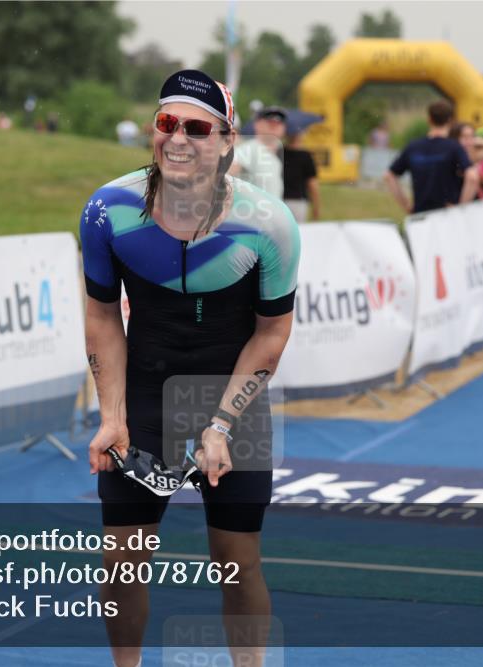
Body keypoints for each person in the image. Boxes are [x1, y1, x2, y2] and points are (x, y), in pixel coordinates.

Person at [80, 69, 301, 667]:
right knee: (122, 560)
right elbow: (103, 318)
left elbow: (272, 332)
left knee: (238, 561)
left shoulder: (269, 225)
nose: (177, 139)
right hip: (146, 400)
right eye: (166, 123)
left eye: (197, 128)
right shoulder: (109, 211)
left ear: (227, 140)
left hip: (230, 398)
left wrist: (222, 425)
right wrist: (113, 416)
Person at [383, 100, 479, 214]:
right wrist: (460, 209)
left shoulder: (413, 146)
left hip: (420, 214)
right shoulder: (454, 147)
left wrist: (406, 205)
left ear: (429, 119)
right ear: (450, 121)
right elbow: (472, 177)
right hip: (446, 214)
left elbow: (389, 176)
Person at [230, 106, 287, 199]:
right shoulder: (249, 149)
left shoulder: (277, 152)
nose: (275, 124)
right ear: (257, 124)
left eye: (279, 122)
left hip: (272, 211)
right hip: (251, 211)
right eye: (269, 120)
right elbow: (225, 176)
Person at [282, 130, 320, 222]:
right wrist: (316, 206)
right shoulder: (306, 156)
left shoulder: (279, 153)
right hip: (298, 202)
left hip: (280, 200)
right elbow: (312, 184)